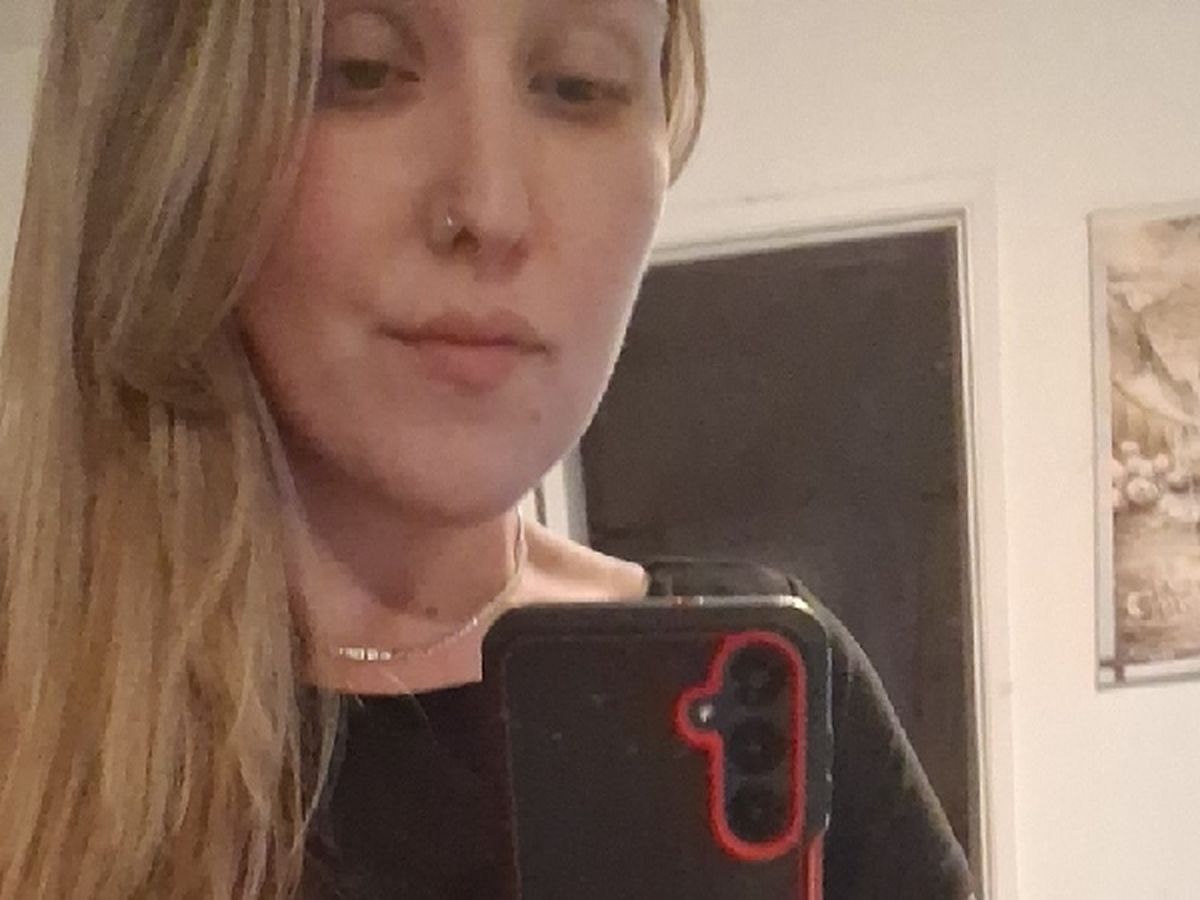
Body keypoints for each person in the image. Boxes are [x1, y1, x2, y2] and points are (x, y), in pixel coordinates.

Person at [0, 0, 972, 898]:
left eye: (579, 84)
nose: (491, 208)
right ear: (168, 134)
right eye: (361, 71)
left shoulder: (784, 703)